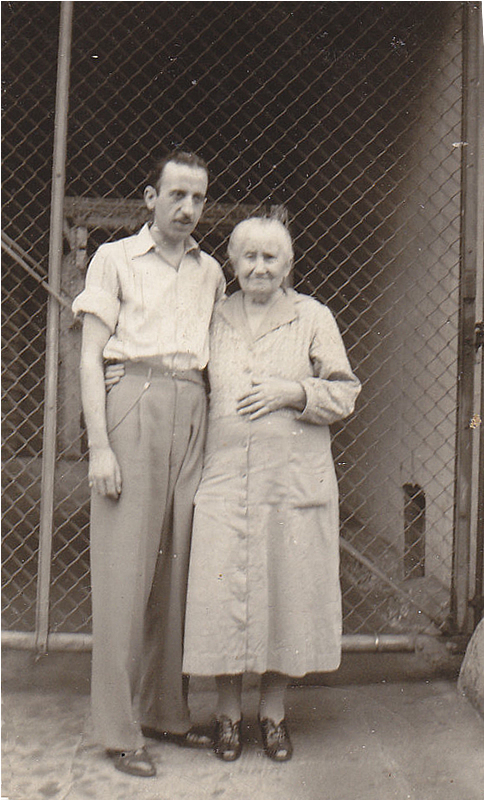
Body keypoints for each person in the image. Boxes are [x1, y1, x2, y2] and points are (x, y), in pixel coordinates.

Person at [182, 216, 361, 762]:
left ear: (289, 266)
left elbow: (346, 393)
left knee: (287, 595)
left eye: (271, 258)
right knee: (222, 597)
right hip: (225, 481)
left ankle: (274, 715)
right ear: (232, 264)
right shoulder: (212, 317)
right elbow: (183, 374)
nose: (259, 267)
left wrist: (291, 391)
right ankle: (228, 716)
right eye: (249, 257)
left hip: (292, 484)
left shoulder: (313, 317)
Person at [72, 151, 226, 778]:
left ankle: (167, 711)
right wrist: (101, 444)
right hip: (132, 400)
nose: (188, 208)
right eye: (177, 194)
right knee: (123, 575)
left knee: (179, 567)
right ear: (150, 197)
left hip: (193, 404)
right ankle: (117, 729)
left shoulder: (211, 270)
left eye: (199, 197)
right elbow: (88, 358)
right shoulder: (114, 260)